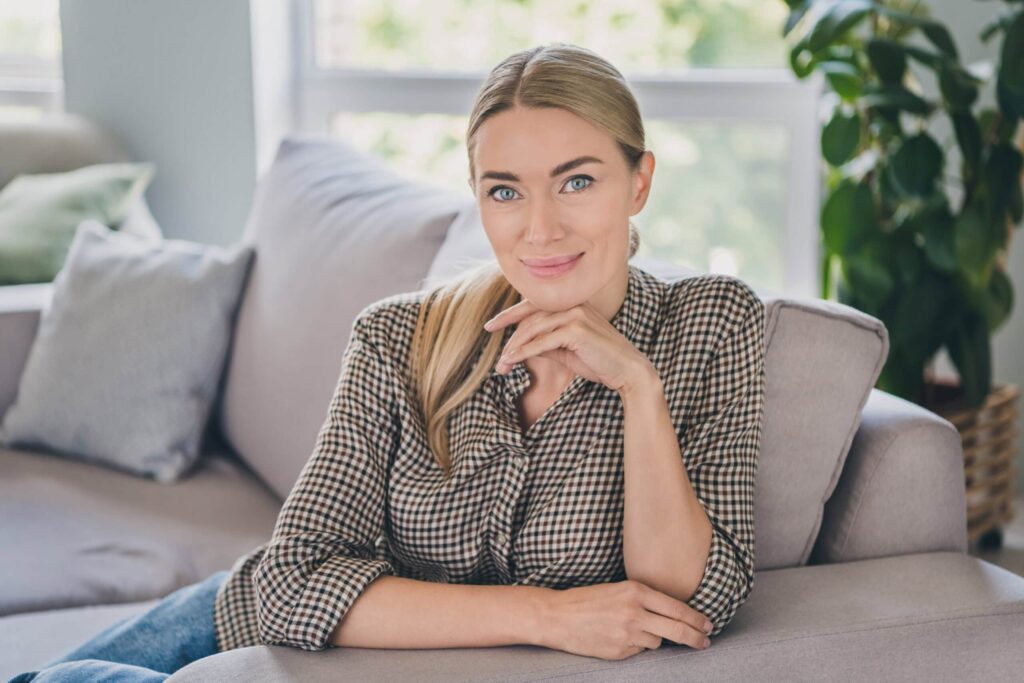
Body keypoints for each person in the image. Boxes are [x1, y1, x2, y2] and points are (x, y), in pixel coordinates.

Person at [10, 41, 766, 682]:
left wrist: (638, 387)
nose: (540, 229)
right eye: (506, 191)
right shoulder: (398, 337)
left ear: (639, 182)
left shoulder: (710, 322)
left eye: (577, 181)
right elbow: (287, 582)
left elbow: (689, 598)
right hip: (238, 634)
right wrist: (548, 615)